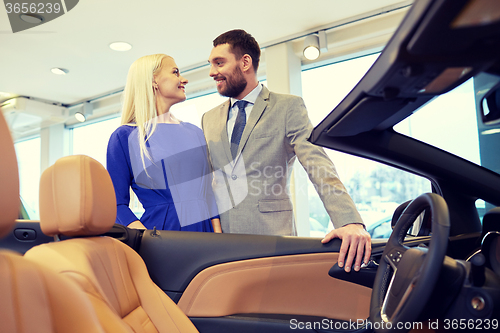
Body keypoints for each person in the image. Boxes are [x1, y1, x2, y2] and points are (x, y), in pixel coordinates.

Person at [203, 30, 371, 272]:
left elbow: (318, 164)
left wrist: (349, 221)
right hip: (222, 247)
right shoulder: (208, 119)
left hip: (273, 241)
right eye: (211, 64)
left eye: (219, 63)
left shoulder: (287, 107)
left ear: (245, 62)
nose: (212, 72)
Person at [107, 54, 221, 233]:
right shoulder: (125, 136)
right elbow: (116, 204)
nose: (184, 79)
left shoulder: (195, 132)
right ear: (154, 81)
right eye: (175, 72)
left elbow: (208, 193)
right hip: (161, 236)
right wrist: (147, 240)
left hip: (205, 235)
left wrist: (218, 236)